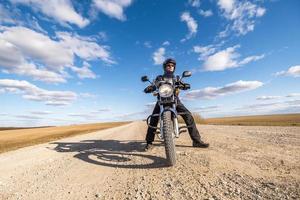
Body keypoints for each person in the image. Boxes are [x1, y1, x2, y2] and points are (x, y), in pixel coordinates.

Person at [144, 58, 209, 151]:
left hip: (175, 100)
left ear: (174, 67)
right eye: (168, 65)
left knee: (188, 116)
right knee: (153, 119)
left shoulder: (177, 78)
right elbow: (155, 84)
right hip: (161, 100)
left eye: (172, 66)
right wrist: (150, 87)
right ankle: (149, 143)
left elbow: (181, 84)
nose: (170, 67)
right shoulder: (159, 77)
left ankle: (196, 141)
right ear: (165, 67)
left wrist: (184, 85)